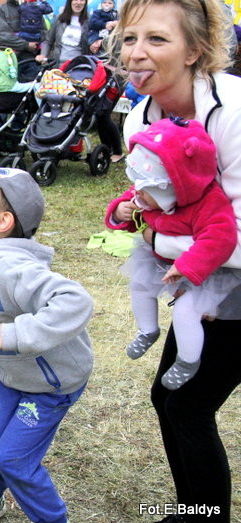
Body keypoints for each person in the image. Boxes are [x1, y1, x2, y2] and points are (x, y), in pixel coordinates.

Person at [110, 0, 241, 523]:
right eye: (128, 37)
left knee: (184, 404)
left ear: (196, 51)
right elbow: (158, 204)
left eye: (156, 39)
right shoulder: (140, 116)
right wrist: (133, 215)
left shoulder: (233, 113)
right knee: (169, 397)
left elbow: (231, 228)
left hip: (231, 275)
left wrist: (189, 267)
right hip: (196, 273)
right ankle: (191, 518)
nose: (136, 52)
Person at [0, 160, 92, 523]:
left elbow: (75, 301)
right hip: (10, 375)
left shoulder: (11, 266)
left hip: (48, 385)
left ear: (1, 223)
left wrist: (11, 335)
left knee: (13, 459)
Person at [105, 117, 239, 390]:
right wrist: (120, 212)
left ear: (176, 185)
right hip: (161, 261)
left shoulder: (208, 203)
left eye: (147, 190)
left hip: (204, 272)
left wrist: (188, 266)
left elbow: (220, 239)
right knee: (139, 287)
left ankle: (187, 360)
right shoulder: (151, 189)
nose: (138, 193)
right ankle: (147, 329)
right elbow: (135, 208)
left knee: (186, 312)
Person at [36, 0, 124, 163]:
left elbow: (94, 42)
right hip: (59, 69)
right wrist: (44, 55)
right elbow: (49, 41)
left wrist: (96, 44)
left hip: (81, 71)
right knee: (55, 107)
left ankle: (73, 145)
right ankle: (51, 140)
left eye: (82, 0)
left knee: (78, 110)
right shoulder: (60, 20)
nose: (78, 2)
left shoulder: (90, 21)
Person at [0, 0, 41, 81]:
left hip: (31, 59)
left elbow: (42, 31)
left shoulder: (34, 9)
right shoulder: (0, 11)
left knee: (31, 89)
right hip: (9, 61)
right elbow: (4, 36)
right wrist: (26, 45)